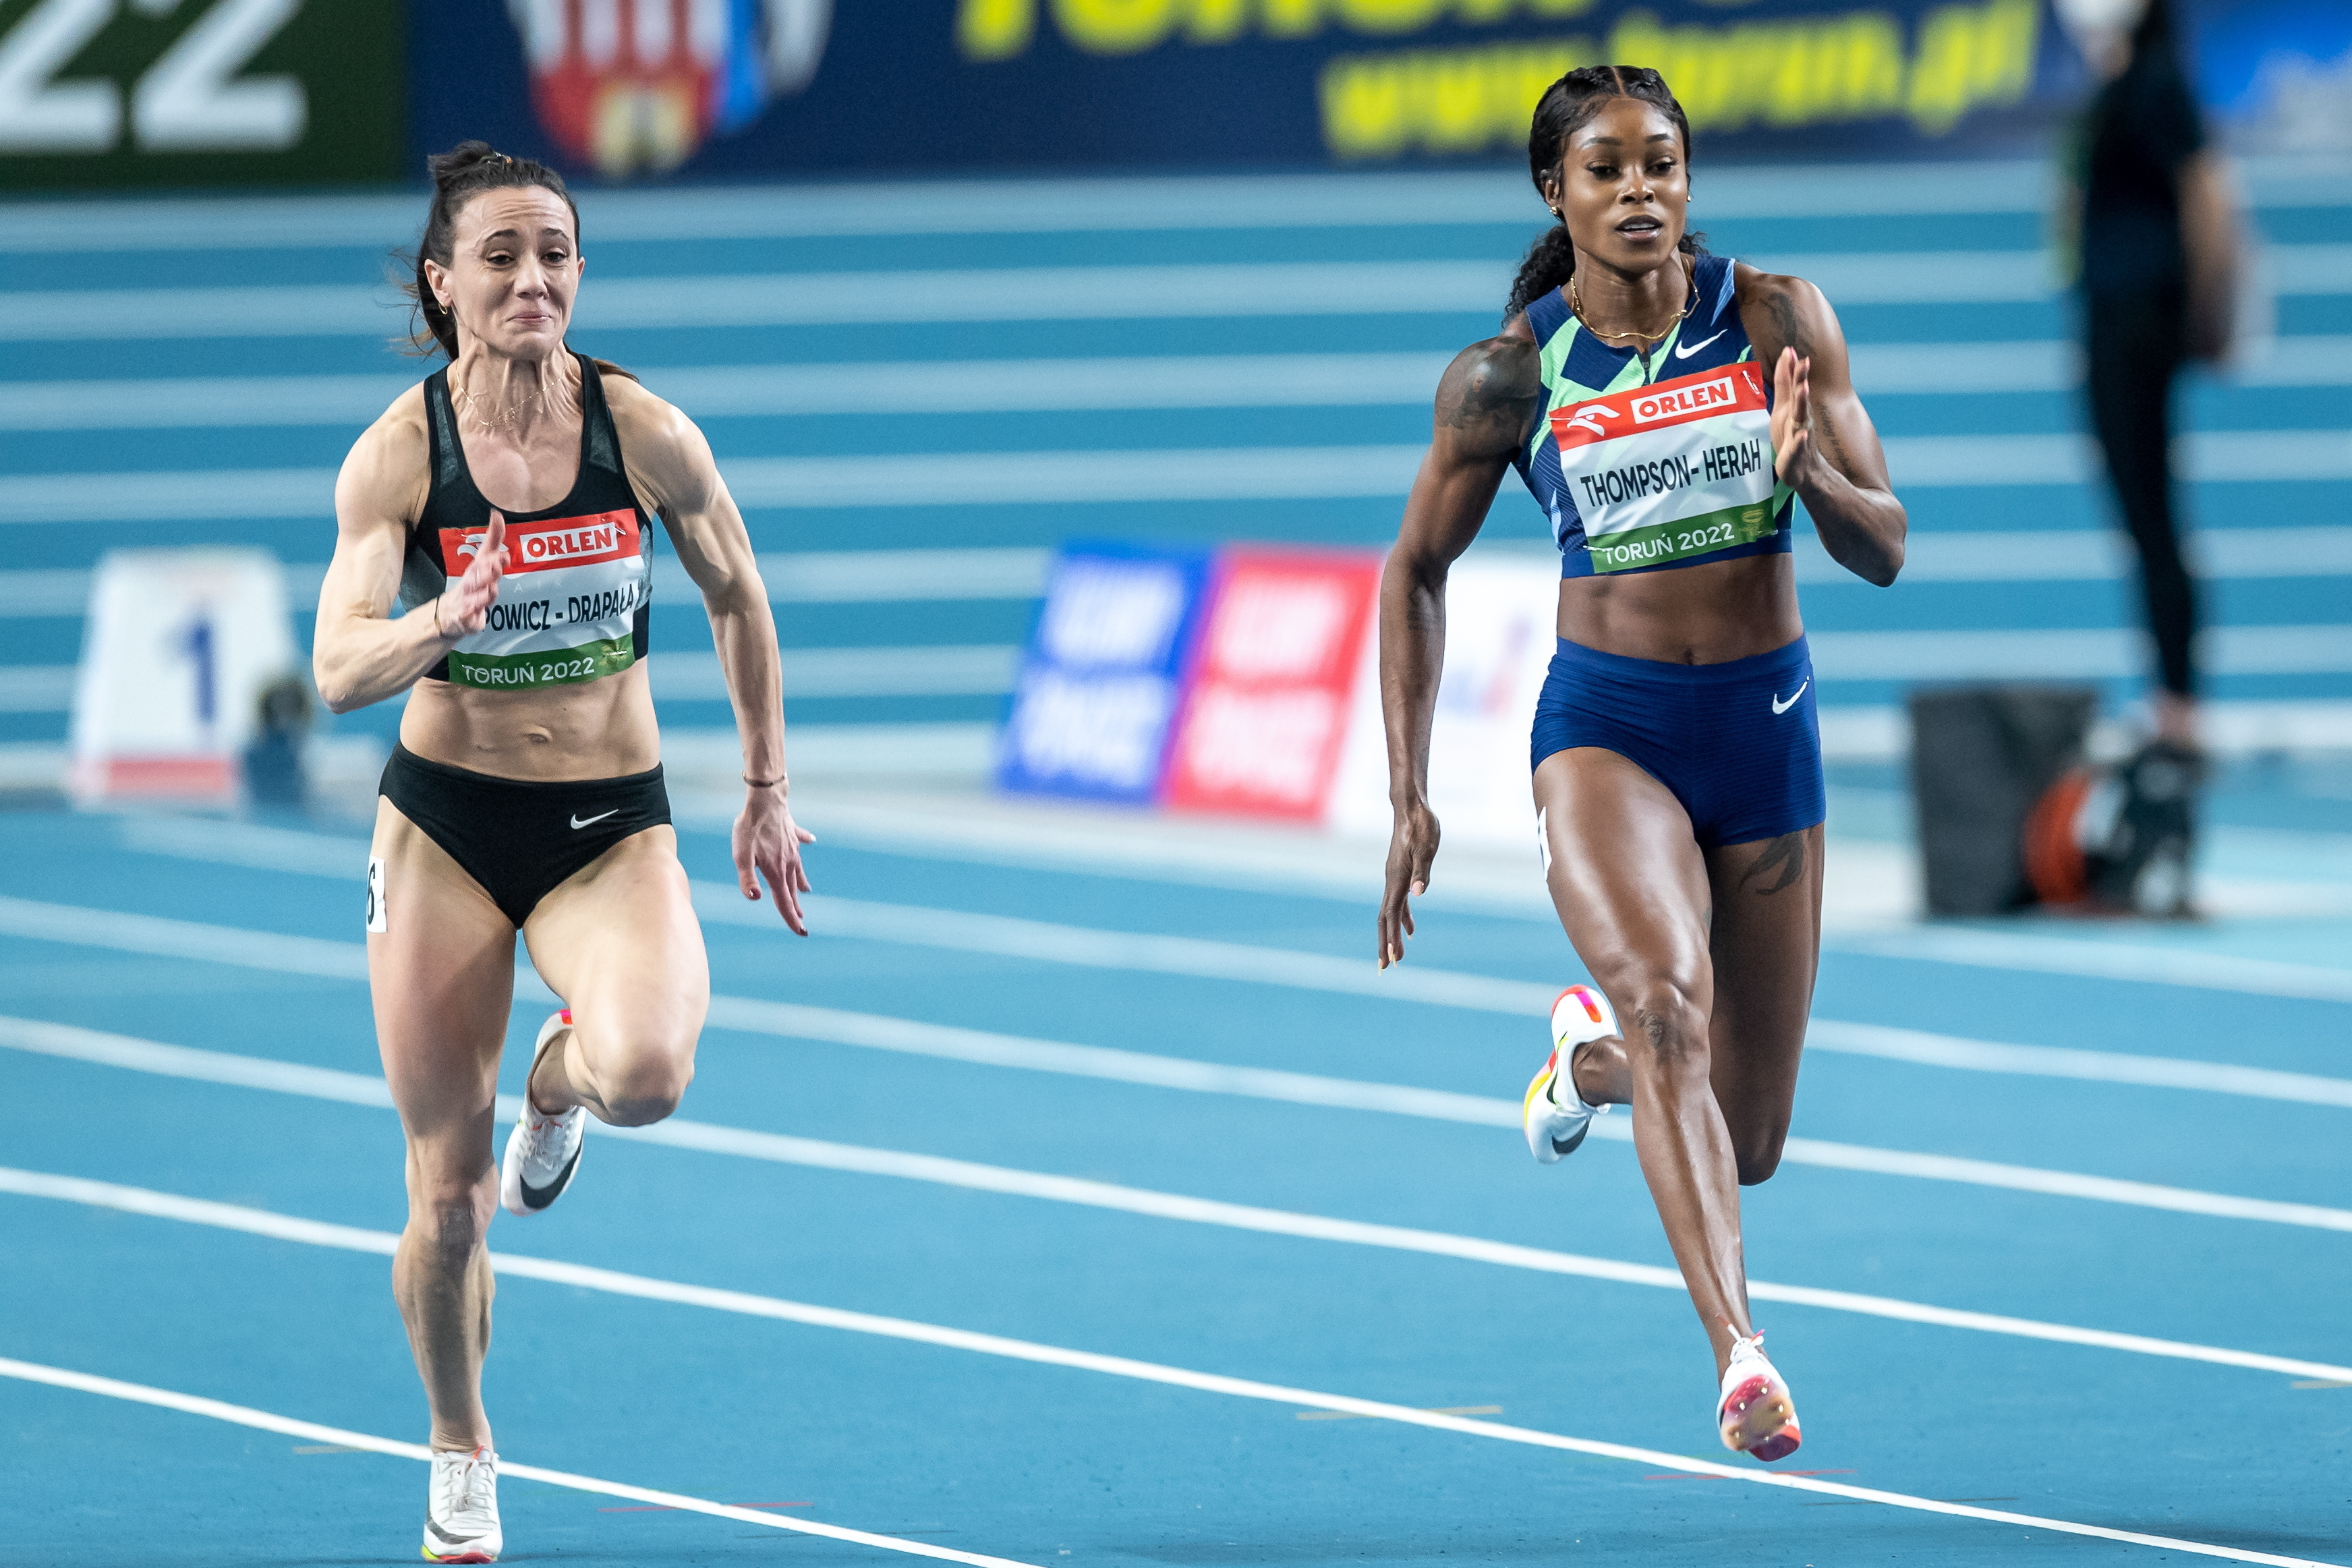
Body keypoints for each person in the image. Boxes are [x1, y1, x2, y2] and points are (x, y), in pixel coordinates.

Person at [1373, 67, 1905, 1462]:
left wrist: (1814, 480)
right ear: (1557, 190)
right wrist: (1407, 789)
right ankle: (1741, 1351)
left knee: (1750, 1135)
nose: (1638, 192)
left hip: (1763, 724)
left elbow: (1889, 545)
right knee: (1672, 1004)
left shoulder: (1778, 320)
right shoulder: (1507, 378)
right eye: (1604, 170)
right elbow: (1414, 571)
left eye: (1660, 164)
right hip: (1608, 729)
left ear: (1689, 177)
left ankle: (1584, 1065)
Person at [312, 142, 814, 1563]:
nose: (533, 278)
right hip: (446, 830)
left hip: (610, 821)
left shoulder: (640, 428)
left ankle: (561, 1080)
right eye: (501, 255)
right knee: (447, 1193)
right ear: (442, 280)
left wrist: (766, 782)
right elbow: (339, 664)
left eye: (555, 252)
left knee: (647, 1072)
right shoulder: (400, 453)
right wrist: (434, 624)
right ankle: (461, 1445)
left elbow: (738, 591)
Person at [2062, 0, 2238, 753]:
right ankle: (2171, 693)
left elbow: (2208, 198)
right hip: (2114, 320)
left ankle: (2179, 701)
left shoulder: (2157, 83)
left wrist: (2210, 310)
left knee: (2153, 518)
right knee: (2143, 517)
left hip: (2140, 324)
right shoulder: (2124, 82)